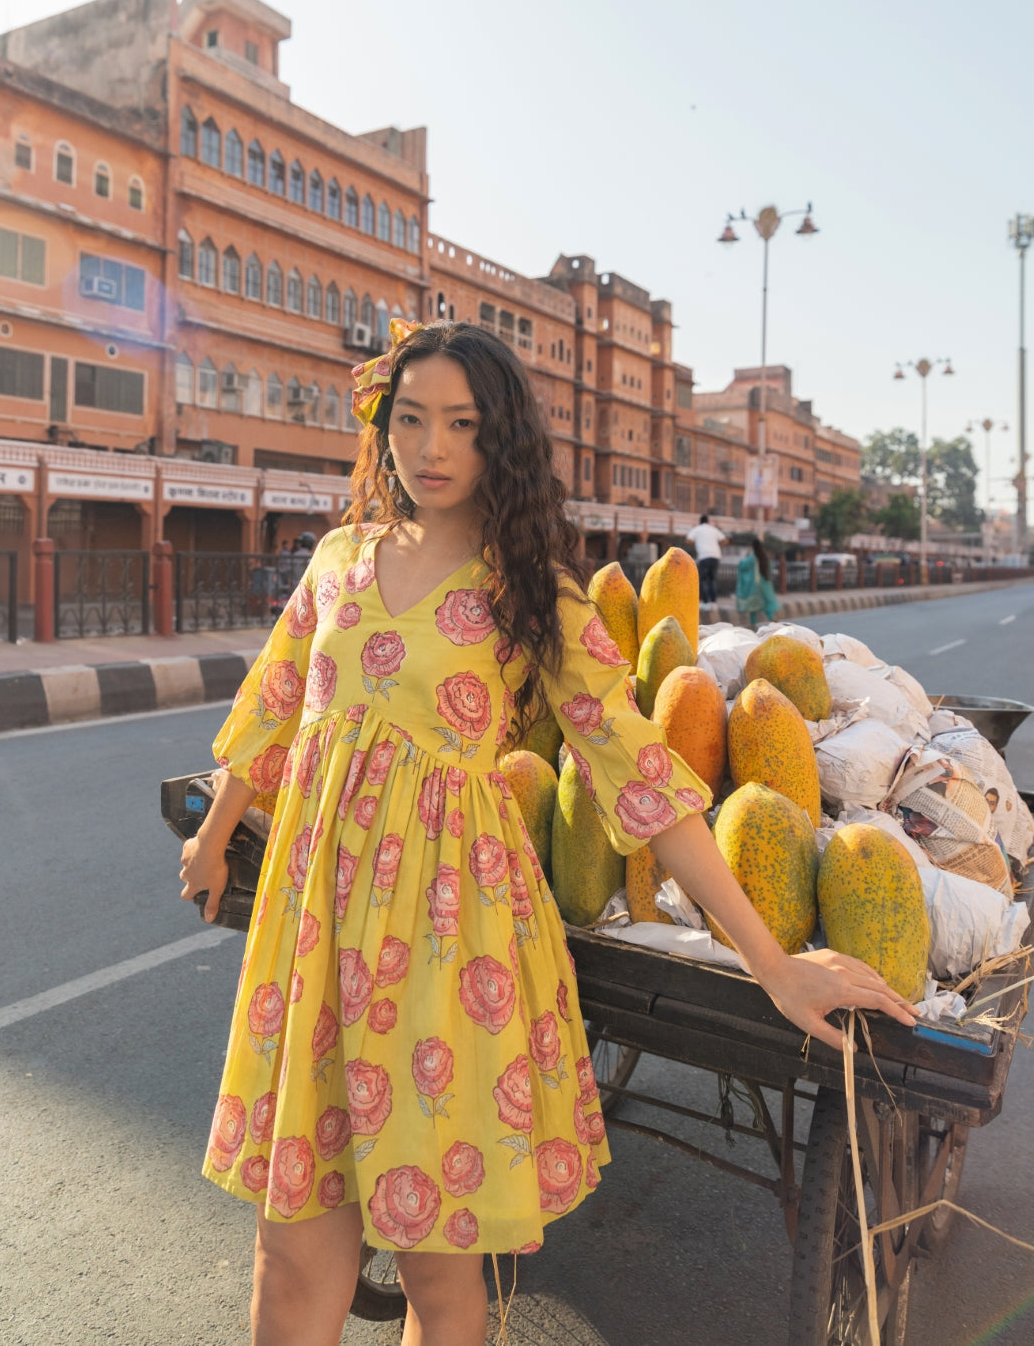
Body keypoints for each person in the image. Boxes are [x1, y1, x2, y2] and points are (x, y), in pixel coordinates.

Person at [180, 320, 918, 1346]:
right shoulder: (337, 560)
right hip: (314, 932)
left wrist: (773, 963)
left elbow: (643, 780)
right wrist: (216, 830)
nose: (432, 447)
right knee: (292, 1252)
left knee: (440, 1273)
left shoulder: (532, 590)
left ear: (501, 442)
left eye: (463, 424)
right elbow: (275, 703)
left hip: (446, 947)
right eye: (412, 420)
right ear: (382, 427)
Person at [685, 513, 727, 610]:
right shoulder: (713, 529)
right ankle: (713, 602)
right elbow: (725, 540)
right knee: (712, 579)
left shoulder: (697, 529)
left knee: (703, 579)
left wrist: (697, 543)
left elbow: (688, 540)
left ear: (700, 521)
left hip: (704, 556)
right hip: (716, 555)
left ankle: (705, 602)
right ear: (708, 521)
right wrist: (716, 546)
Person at [736, 537, 779, 627]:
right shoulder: (765, 556)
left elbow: (742, 565)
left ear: (753, 547)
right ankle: (772, 617)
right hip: (765, 584)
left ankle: (753, 624)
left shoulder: (752, 557)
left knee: (753, 606)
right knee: (766, 602)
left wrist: (747, 554)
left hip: (755, 586)